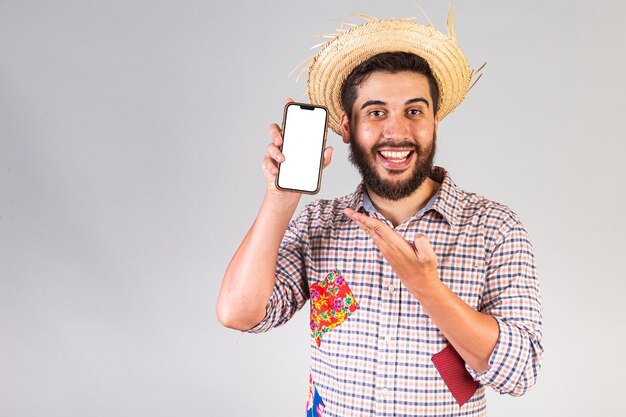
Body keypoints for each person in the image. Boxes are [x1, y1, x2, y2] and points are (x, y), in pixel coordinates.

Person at [216, 12, 543, 417]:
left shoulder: (495, 227)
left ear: (435, 121)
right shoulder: (319, 224)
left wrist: (427, 288)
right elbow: (239, 313)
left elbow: (520, 371)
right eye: (375, 112)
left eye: (414, 111)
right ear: (347, 127)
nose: (396, 132)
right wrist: (280, 201)